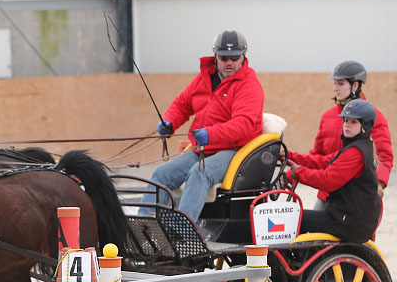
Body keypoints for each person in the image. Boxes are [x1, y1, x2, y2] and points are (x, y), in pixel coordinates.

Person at [141, 30, 265, 226]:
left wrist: (211, 134)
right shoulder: (204, 78)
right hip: (204, 148)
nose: (229, 62)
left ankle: (180, 232)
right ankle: (145, 228)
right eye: (224, 57)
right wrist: (170, 122)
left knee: (200, 173)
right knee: (161, 174)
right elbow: (182, 104)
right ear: (216, 56)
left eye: (235, 57)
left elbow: (243, 124)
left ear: (244, 57)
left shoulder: (249, 85)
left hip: (235, 150)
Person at [296, 60, 392, 206]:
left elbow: (384, 156)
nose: (335, 88)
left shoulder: (374, 117)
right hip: (328, 195)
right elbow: (318, 155)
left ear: (355, 85)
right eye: (334, 83)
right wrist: (294, 170)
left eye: (340, 84)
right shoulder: (327, 116)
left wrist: (378, 183)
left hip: (358, 198)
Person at [286, 99, 381, 243]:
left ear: (365, 126)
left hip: (346, 223)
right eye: (345, 121)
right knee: (297, 218)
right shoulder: (356, 147)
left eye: (353, 122)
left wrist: (297, 172)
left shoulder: (355, 153)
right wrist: (289, 156)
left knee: (292, 220)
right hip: (348, 219)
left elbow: (328, 180)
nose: (347, 125)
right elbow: (324, 161)